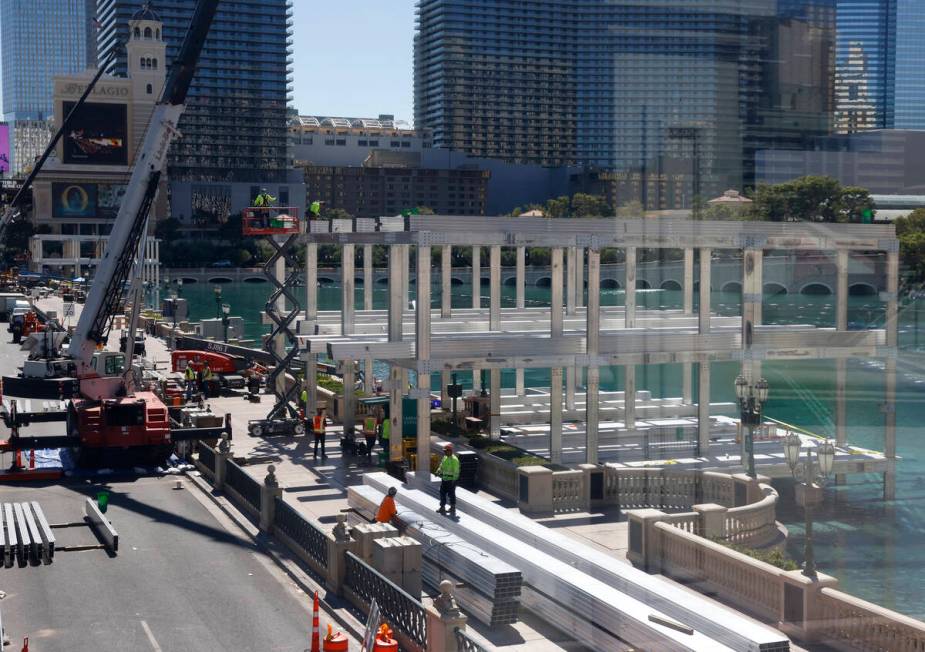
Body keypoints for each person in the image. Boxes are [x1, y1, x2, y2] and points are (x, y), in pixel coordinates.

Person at [436, 443, 460, 516]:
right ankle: (442, 507)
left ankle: (452, 507)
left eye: (446, 451)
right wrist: (438, 471)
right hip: (444, 479)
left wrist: (454, 480)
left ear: (450, 451)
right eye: (444, 451)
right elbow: (441, 466)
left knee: (451, 494)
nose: (445, 452)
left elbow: (456, 471)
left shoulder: (454, 460)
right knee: (442, 493)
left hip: (451, 481)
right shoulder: (445, 457)